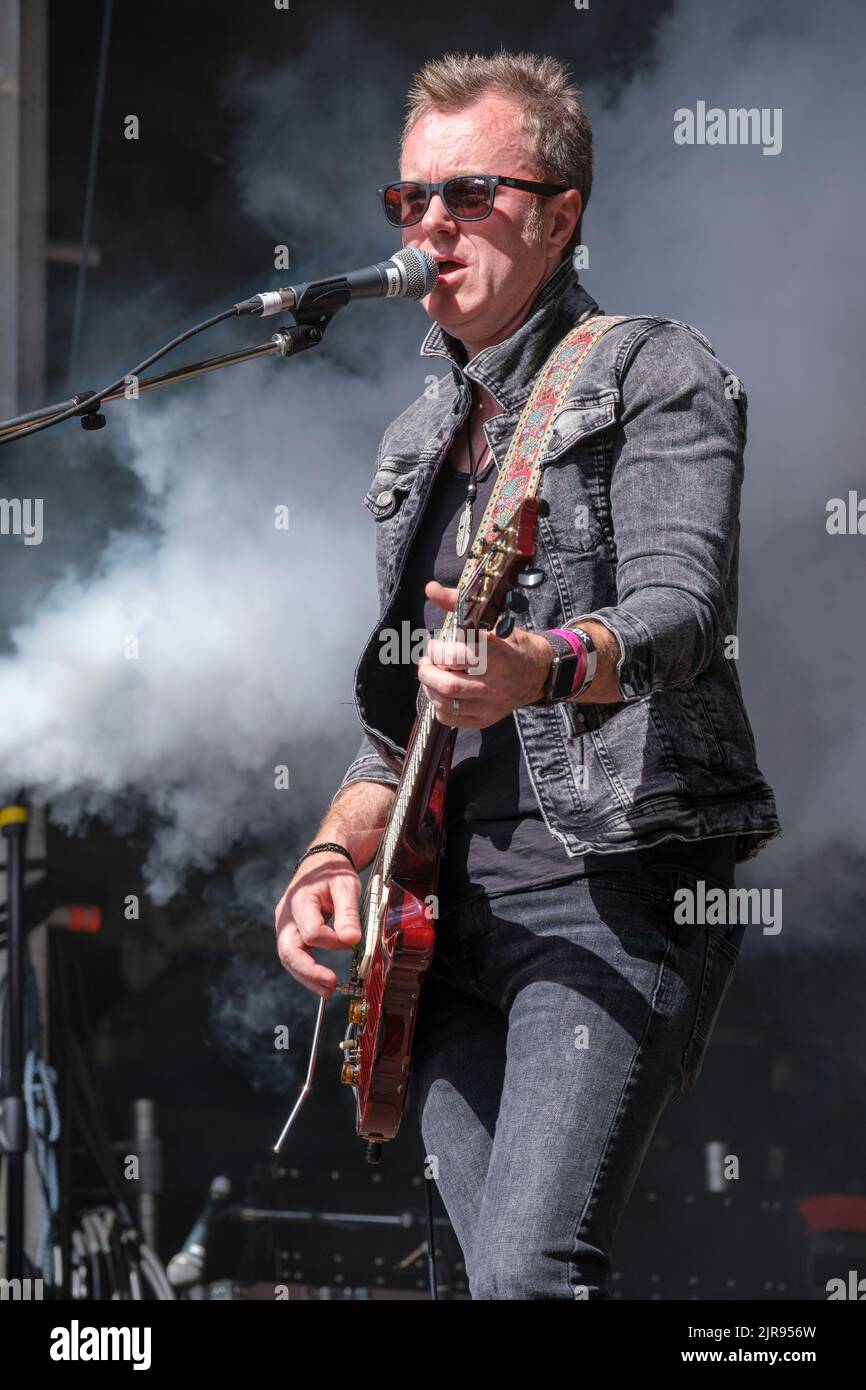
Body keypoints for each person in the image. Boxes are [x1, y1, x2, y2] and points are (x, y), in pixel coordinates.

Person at [275, 50, 781, 1300]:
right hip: (434, 928)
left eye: (469, 196)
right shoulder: (412, 444)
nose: (430, 228)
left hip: (602, 891)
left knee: (526, 1275)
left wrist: (538, 666)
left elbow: (678, 611)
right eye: (409, 202)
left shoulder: (649, 369)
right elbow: (402, 724)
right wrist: (332, 859)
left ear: (559, 215)